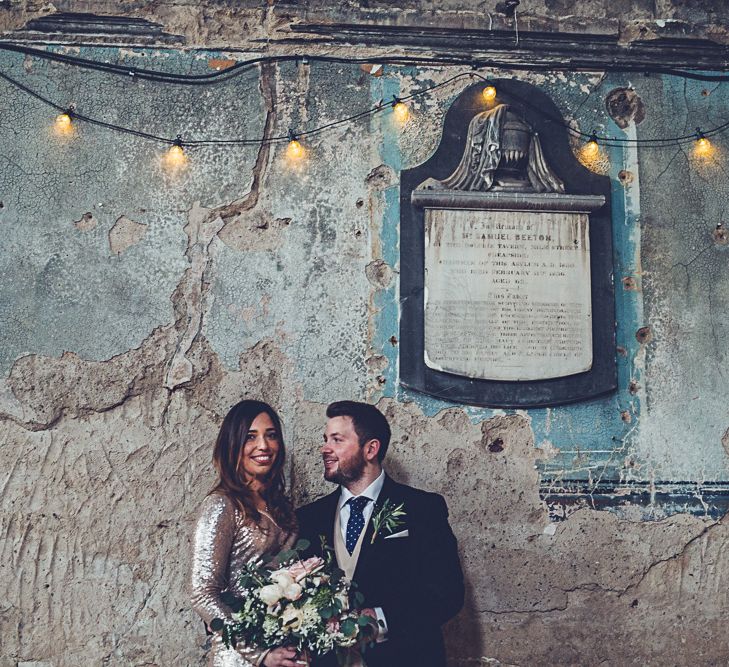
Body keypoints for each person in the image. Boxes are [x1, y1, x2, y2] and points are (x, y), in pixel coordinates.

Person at [296, 401, 464, 667]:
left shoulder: (422, 509)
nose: (324, 449)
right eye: (325, 439)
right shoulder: (308, 518)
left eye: (337, 440)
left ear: (371, 449)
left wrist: (380, 620)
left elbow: (448, 593)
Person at [191, 399, 304, 667]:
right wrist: (260, 655)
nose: (263, 445)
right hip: (240, 657)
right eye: (250, 437)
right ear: (233, 445)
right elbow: (202, 593)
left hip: (282, 652)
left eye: (271, 435)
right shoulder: (222, 505)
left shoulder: (283, 509)